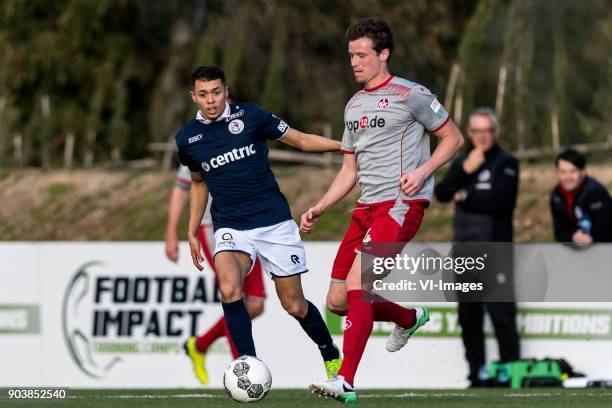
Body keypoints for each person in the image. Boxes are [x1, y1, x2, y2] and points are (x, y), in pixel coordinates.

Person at [302, 17, 464, 402]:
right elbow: (348, 169)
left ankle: (345, 381)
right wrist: (321, 206)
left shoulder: (412, 95)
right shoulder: (354, 105)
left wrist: (423, 171)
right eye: (351, 55)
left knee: (359, 283)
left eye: (361, 55)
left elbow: (452, 137)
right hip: (365, 208)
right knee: (337, 302)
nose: (354, 62)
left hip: (401, 205)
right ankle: (408, 318)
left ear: (383, 54)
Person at [176, 65, 343, 380]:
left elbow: (302, 140)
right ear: (193, 97)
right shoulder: (188, 139)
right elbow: (199, 183)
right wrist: (192, 228)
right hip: (230, 226)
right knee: (229, 287)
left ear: (225, 91)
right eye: (203, 94)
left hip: (274, 223)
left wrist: (343, 146)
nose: (210, 100)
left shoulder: (252, 116)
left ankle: (329, 351)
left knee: (294, 306)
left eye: (216, 92)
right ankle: (248, 367)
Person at [434, 107, 520, 387]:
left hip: (495, 250)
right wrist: (464, 173)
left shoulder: (507, 162)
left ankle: (510, 371)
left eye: (488, 130)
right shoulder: (463, 163)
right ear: (469, 133)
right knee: (468, 317)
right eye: (477, 131)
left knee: (501, 315)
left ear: (496, 132)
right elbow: (443, 193)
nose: (483, 136)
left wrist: (466, 196)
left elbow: (501, 201)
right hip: (465, 252)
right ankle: (477, 373)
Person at [165, 164, 266, 384]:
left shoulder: (240, 133)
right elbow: (182, 188)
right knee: (234, 296)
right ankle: (243, 372)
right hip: (214, 227)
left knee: (256, 304)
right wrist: (171, 232)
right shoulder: (196, 141)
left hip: (246, 226)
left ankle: (199, 345)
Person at [550, 147, 612, 244]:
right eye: (563, 172)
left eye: (573, 171)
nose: (568, 177)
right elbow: (559, 233)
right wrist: (572, 237)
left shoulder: (596, 193)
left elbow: (604, 234)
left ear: (583, 172)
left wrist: (586, 238)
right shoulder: (556, 196)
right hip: (574, 250)